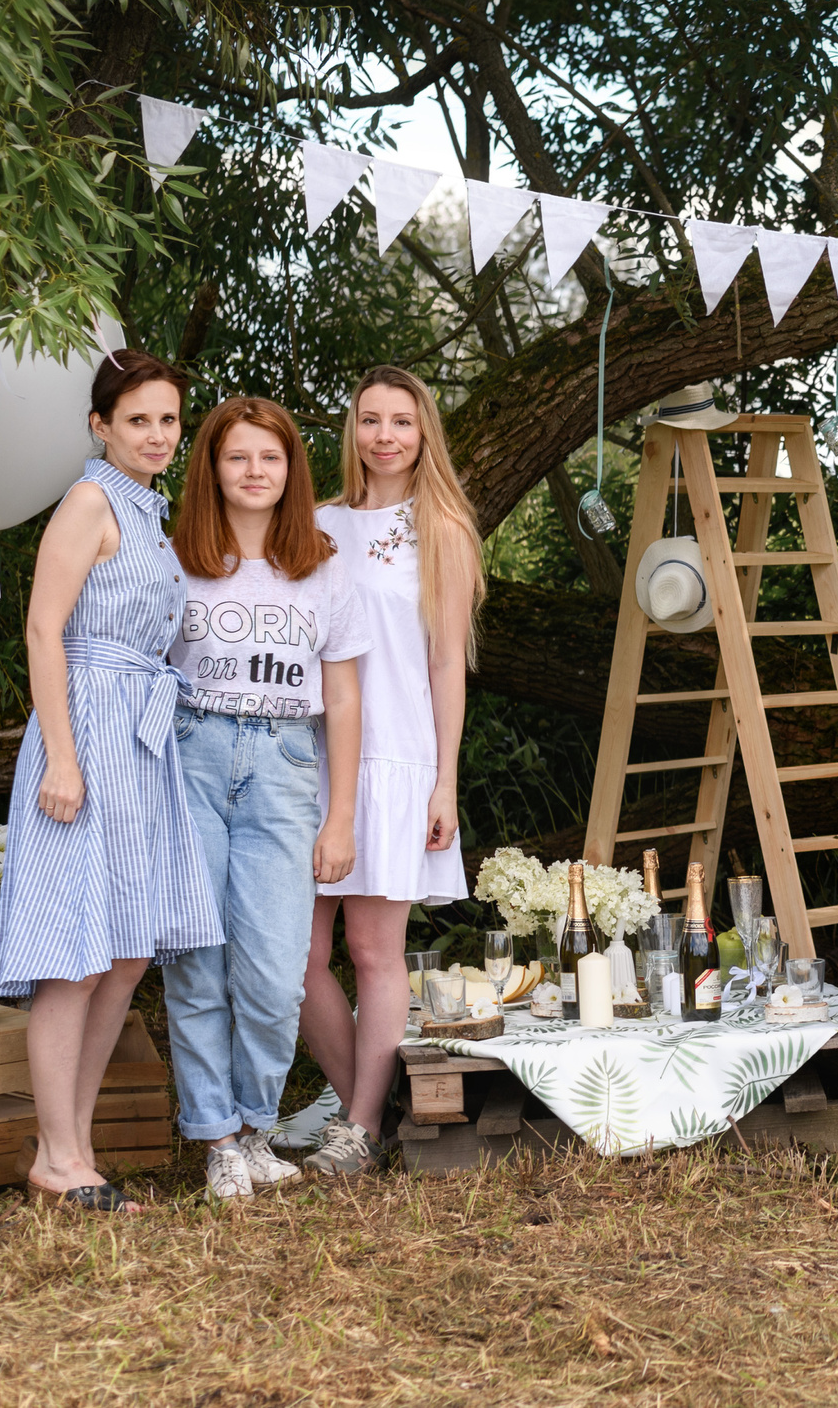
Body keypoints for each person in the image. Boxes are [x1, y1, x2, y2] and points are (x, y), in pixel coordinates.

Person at [0, 350, 222, 1213]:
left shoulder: (149, 512)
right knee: (77, 952)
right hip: (86, 730)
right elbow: (42, 628)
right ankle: (57, 1155)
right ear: (101, 425)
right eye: (138, 420)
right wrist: (61, 755)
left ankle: (75, 1148)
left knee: (125, 951)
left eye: (167, 419)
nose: (157, 435)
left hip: (139, 744)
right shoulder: (89, 501)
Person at [164, 398, 368, 1202]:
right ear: (212, 467)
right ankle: (218, 1140)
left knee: (277, 971)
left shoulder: (321, 564)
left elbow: (342, 698)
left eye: (271, 457)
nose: (255, 471)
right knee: (197, 960)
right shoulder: (176, 558)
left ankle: (255, 1126)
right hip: (192, 753)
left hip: (285, 763)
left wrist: (340, 816)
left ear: (292, 469)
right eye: (238, 456)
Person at [299, 366, 483, 1177]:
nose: (384, 436)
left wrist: (445, 779)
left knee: (374, 950)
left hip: (396, 755)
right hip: (307, 756)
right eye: (370, 420)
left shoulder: (440, 529)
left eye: (401, 421)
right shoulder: (315, 522)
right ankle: (368, 1113)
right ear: (353, 431)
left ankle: (361, 1127)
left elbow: (446, 665)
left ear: (422, 432)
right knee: (293, 956)